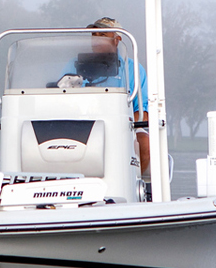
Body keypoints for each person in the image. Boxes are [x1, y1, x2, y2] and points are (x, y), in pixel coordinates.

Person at [62, 17, 150, 175]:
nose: (96, 40)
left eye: (102, 35)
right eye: (93, 34)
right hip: (81, 123)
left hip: (123, 126)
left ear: (117, 40)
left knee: (145, 142)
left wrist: (123, 124)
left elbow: (143, 111)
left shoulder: (133, 68)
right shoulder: (74, 64)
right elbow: (60, 96)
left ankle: (135, 186)